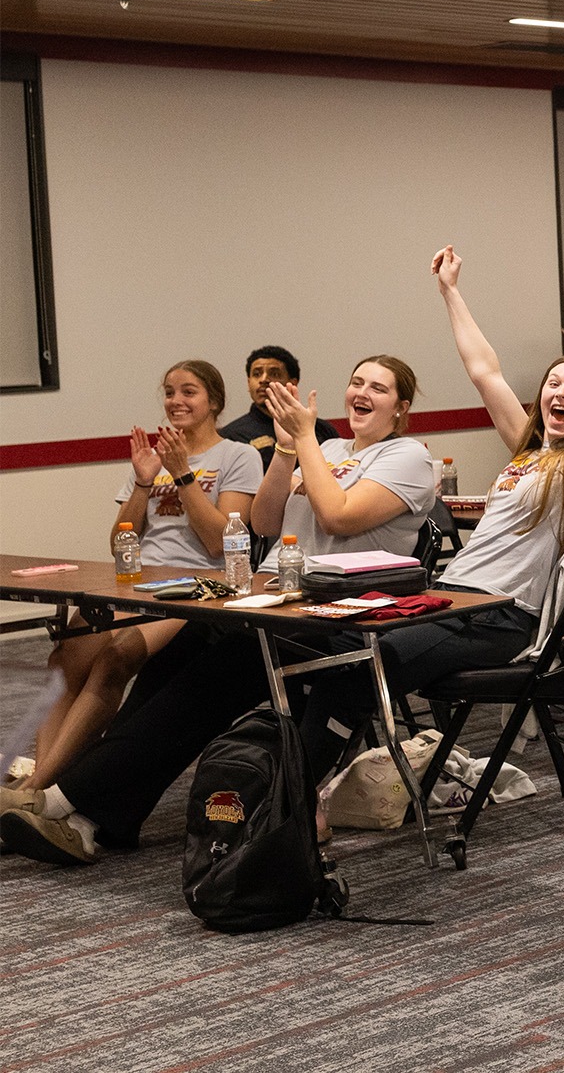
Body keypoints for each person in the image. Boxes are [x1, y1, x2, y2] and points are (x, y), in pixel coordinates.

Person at [0, 357, 430, 863]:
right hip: (274, 599)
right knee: (169, 662)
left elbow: (339, 515)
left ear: (400, 408)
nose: (362, 392)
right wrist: (288, 452)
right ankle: (101, 818)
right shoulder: (330, 449)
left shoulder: (408, 457)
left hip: (335, 617)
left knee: (206, 684)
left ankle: (67, 801)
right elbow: (266, 520)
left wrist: (305, 442)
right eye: (356, 381)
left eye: (377, 388)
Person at [288, 246, 564, 789]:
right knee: (330, 645)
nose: (561, 391)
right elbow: (484, 370)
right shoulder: (527, 450)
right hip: (450, 597)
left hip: (501, 617)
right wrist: (450, 292)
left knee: (357, 668)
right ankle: (297, 790)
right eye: (553, 383)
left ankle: (296, 800)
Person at [9, 361, 259, 802]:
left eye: (189, 392)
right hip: (138, 580)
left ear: (214, 402)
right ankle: (42, 780)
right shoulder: (151, 460)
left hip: (200, 585)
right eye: (169, 392)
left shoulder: (237, 456)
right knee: (65, 658)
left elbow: (221, 542)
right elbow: (118, 541)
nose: (176, 401)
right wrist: (145, 482)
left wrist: (183, 474)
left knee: (115, 659)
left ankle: (41, 788)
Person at [218, 345, 340, 468]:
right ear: (248, 382)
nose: (264, 379)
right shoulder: (231, 436)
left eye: (274, 374)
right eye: (256, 374)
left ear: (293, 382)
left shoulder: (320, 429)